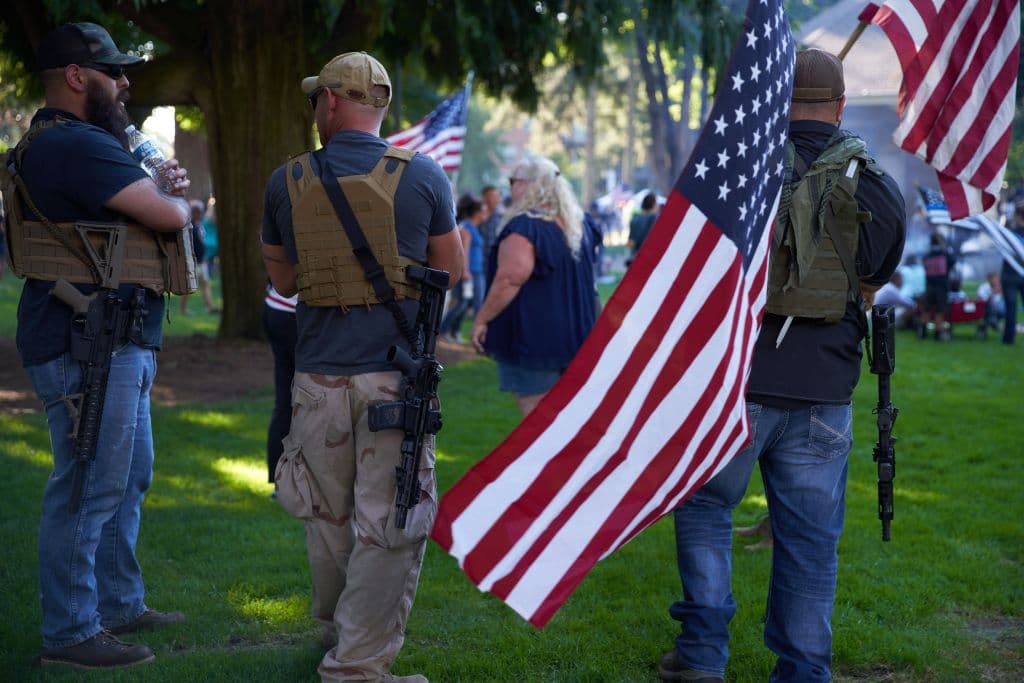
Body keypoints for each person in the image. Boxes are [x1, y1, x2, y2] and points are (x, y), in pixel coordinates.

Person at [660, 48, 905, 683]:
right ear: (841, 106)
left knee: (706, 507)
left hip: (735, 385)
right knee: (810, 544)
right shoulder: (877, 186)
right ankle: (802, 670)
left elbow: (692, 270)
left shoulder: (736, 174)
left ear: (776, 102)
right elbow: (877, 274)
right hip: (824, 389)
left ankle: (702, 655)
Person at [260, 50, 463, 683]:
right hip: (393, 380)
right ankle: (357, 664)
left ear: (330, 101)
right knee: (389, 522)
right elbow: (452, 272)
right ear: (379, 107)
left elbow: (283, 281)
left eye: (315, 98)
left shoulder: (285, 181)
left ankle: (341, 634)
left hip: (316, 379)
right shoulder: (424, 176)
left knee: (326, 517)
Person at [3, 22, 191, 670]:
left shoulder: (74, 142)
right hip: (87, 339)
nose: (125, 82)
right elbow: (167, 215)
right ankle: (72, 630)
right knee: (87, 486)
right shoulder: (75, 143)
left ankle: (117, 603)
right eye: (113, 71)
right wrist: (176, 201)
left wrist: (159, 186)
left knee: (126, 476)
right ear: (76, 76)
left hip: (107, 333)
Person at [470, 156, 600, 417]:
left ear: (530, 185)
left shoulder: (525, 228)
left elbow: (509, 279)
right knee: (570, 422)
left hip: (536, 343)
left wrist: (481, 319)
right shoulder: (581, 223)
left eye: (513, 181)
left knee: (541, 423)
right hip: (581, 337)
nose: (510, 188)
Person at [263, 282, 297, 486]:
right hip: (294, 313)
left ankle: (280, 481)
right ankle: (284, 480)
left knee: (285, 403)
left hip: (277, 307)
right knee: (307, 402)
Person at [439, 193, 486, 343]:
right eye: (483, 210)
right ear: (477, 212)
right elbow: (464, 251)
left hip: (475, 272)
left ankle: (454, 331)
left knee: (467, 304)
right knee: (462, 303)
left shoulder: (473, 228)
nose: (485, 213)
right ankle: (444, 330)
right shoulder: (466, 228)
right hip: (469, 273)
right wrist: (465, 271)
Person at [177, 199, 220, 314]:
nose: (200, 213)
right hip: (193, 262)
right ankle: (183, 309)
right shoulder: (188, 226)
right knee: (189, 287)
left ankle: (211, 307)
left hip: (201, 261)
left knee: (205, 284)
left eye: (201, 211)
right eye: (198, 211)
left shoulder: (199, 225)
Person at [920, 231, 955, 341]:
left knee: (927, 308)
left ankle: (923, 332)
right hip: (942, 286)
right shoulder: (945, 255)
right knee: (940, 310)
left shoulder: (927, 256)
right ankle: (937, 332)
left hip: (929, 285)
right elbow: (952, 263)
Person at [1001, 209, 1024, 345]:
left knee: (1011, 308)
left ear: (1017, 216)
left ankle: (1008, 338)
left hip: (1010, 274)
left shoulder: (1010, 233)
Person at [628, 191, 659, 264]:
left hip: (636, 256)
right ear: (654, 204)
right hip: (650, 256)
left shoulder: (635, 219)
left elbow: (630, 243)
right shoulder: (655, 218)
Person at [478, 184, 504, 266]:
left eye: (498, 196)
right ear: (484, 198)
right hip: (479, 264)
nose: (497, 199)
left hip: (495, 263)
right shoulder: (476, 218)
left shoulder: (502, 218)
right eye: (493, 196)